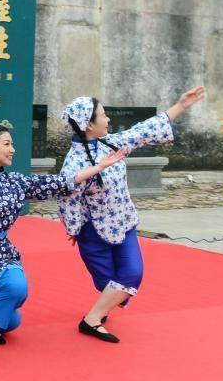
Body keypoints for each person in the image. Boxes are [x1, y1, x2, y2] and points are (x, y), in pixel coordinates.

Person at [0, 121, 126, 345]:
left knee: (15, 306)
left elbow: (58, 182)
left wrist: (98, 167)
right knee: (7, 319)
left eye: (12, 144)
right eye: (6, 144)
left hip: (2, 251)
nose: (13, 149)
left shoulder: (16, 182)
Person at [58, 86, 206, 343]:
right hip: (94, 232)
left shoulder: (111, 142)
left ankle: (91, 320)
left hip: (124, 223)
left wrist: (181, 105)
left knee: (131, 274)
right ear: (88, 125)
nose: (108, 119)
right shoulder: (75, 163)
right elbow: (67, 199)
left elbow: (144, 130)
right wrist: (73, 229)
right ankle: (101, 311)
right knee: (108, 284)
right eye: (103, 115)